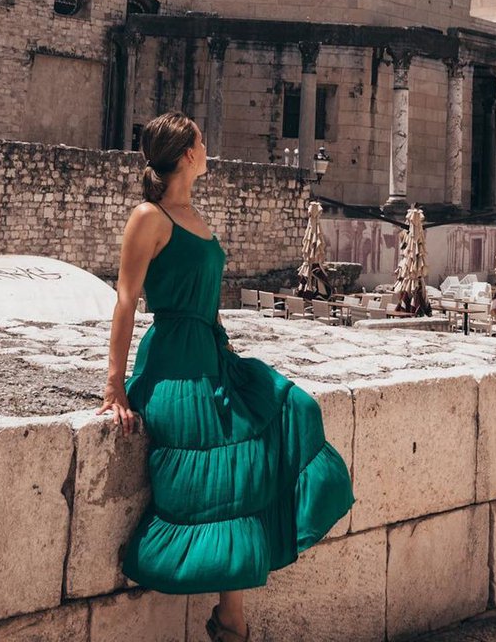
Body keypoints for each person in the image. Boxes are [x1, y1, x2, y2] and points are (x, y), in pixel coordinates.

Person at [98, 111, 354, 642]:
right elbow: (125, 300)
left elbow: (210, 304)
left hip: (214, 355)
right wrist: (114, 384)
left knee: (293, 408)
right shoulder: (149, 216)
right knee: (223, 456)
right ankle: (232, 619)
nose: (208, 147)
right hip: (172, 360)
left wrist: (228, 357)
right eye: (202, 140)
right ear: (187, 154)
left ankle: (229, 615)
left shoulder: (194, 214)